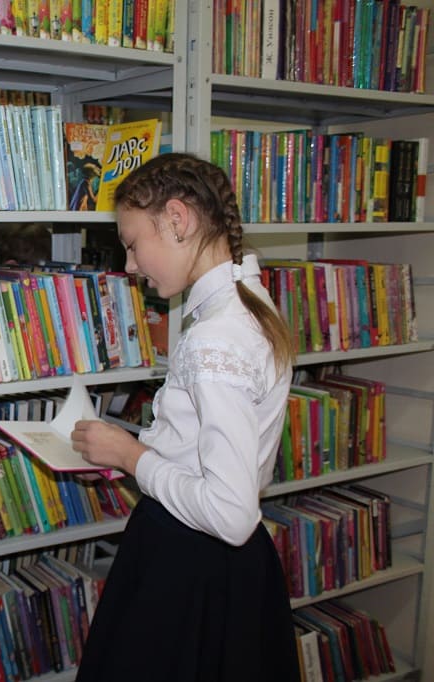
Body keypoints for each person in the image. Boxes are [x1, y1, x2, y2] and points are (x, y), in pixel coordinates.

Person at [70, 153, 299, 682]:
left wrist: (131, 456)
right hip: (215, 562)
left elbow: (230, 514)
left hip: (190, 562)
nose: (130, 266)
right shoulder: (246, 301)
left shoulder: (217, 338)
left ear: (178, 219)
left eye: (132, 244)